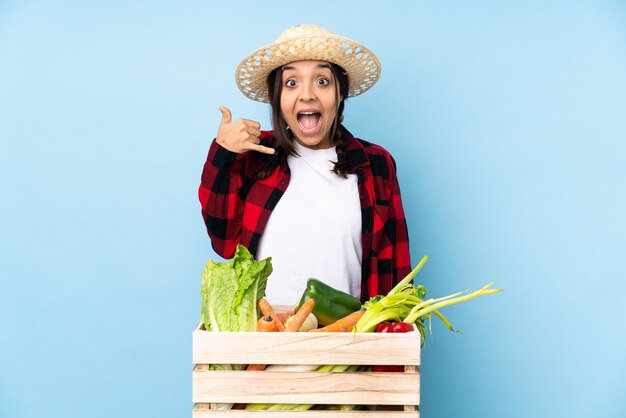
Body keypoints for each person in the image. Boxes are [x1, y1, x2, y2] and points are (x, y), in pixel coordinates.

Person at [199, 24, 411, 305]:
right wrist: (223, 155)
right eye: (291, 83)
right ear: (277, 98)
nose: (307, 94)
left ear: (340, 94)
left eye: (322, 81)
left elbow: (396, 268)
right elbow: (224, 243)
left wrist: (398, 334)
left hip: (350, 336)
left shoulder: (376, 164)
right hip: (264, 334)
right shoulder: (253, 156)